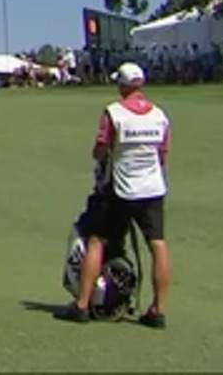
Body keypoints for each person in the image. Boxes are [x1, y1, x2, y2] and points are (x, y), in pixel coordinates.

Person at [58, 62, 170, 327]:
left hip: (120, 189)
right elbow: (162, 154)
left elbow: (100, 149)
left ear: (122, 85)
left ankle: (82, 305)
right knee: (158, 244)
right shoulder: (160, 116)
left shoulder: (114, 113)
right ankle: (158, 310)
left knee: (97, 241)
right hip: (153, 188)